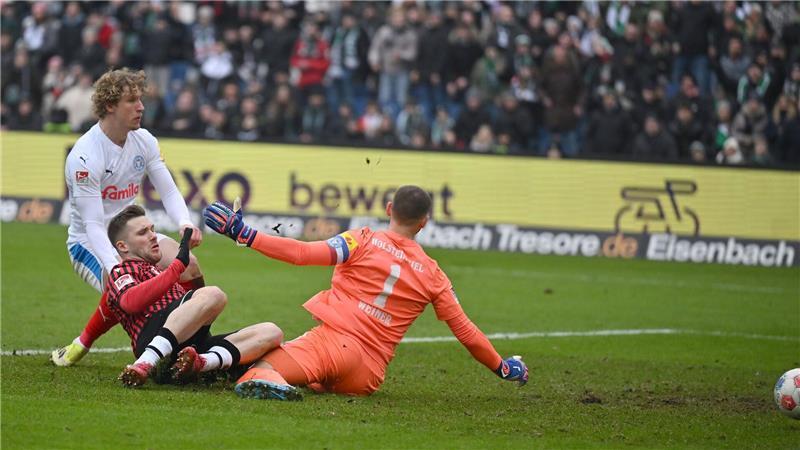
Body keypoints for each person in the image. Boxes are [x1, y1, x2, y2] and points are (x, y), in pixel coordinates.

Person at [202, 186, 528, 401]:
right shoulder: (434, 274)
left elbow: (303, 254)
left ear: (389, 208)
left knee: (259, 369)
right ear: (424, 222)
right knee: (318, 381)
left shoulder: (363, 240)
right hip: (367, 376)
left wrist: (244, 234)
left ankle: (269, 380)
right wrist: (504, 367)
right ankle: (305, 379)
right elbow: (466, 332)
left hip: (333, 344)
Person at [52, 68, 205, 367]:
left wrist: (185, 223)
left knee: (190, 266)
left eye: (140, 99)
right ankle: (83, 343)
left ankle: (193, 337)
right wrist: (116, 267)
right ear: (110, 105)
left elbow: (169, 191)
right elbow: (94, 225)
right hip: (90, 242)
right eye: (131, 101)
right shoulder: (84, 156)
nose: (141, 107)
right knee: (123, 286)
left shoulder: (144, 140)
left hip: (132, 233)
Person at [106, 206, 282, 387]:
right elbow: (130, 302)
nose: (153, 236)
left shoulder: (160, 271)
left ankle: (202, 364)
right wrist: (177, 266)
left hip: (188, 348)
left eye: (153, 229)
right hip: (151, 337)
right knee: (214, 294)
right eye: (143, 232)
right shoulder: (121, 270)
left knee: (272, 332)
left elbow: (198, 298)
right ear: (123, 246)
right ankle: (148, 360)